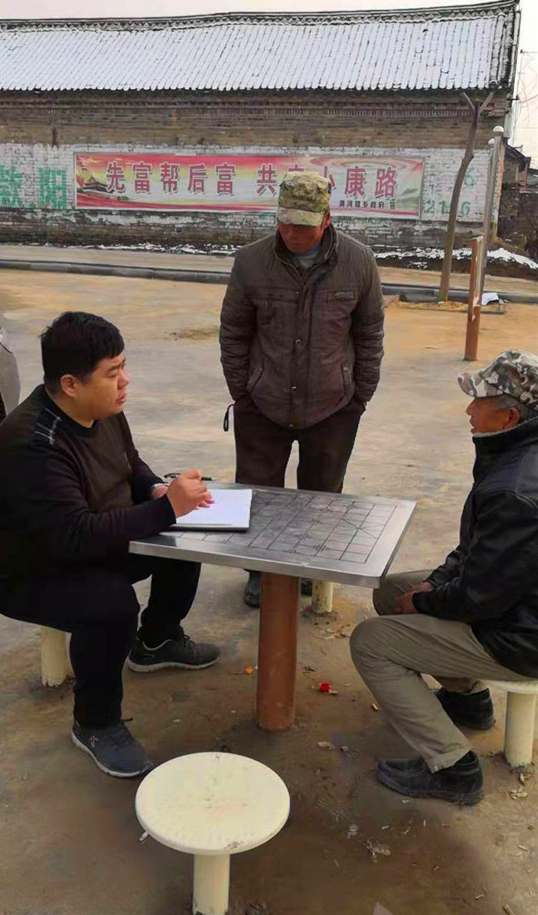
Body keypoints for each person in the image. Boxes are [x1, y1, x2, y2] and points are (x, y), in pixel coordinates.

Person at [0, 311, 220, 778]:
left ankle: (156, 642)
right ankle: (94, 722)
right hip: (28, 570)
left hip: (89, 538)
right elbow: (74, 537)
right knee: (111, 606)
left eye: (123, 367)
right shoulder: (33, 444)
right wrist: (165, 508)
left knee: (183, 537)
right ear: (71, 384)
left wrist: (157, 490)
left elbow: (131, 463)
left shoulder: (103, 410)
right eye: (113, 372)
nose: (125, 381)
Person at [350, 350, 538, 805]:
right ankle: (468, 700)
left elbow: (479, 598)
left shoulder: (514, 488)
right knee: (391, 589)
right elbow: (476, 550)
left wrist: (425, 601)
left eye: (479, 402)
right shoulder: (515, 453)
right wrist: (433, 584)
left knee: (371, 641)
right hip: (517, 609)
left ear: (510, 416)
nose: (468, 410)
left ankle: (454, 767)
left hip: (521, 636)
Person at [220, 169, 384, 607]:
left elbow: (369, 333)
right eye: (286, 222)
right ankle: (261, 571)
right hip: (263, 402)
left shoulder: (359, 262)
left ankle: (311, 570)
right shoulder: (251, 262)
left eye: (304, 226)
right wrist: (243, 391)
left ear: (326, 220)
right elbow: (234, 332)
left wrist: (360, 396)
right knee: (258, 495)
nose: (293, 233)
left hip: (333, 405)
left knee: (322, 495)